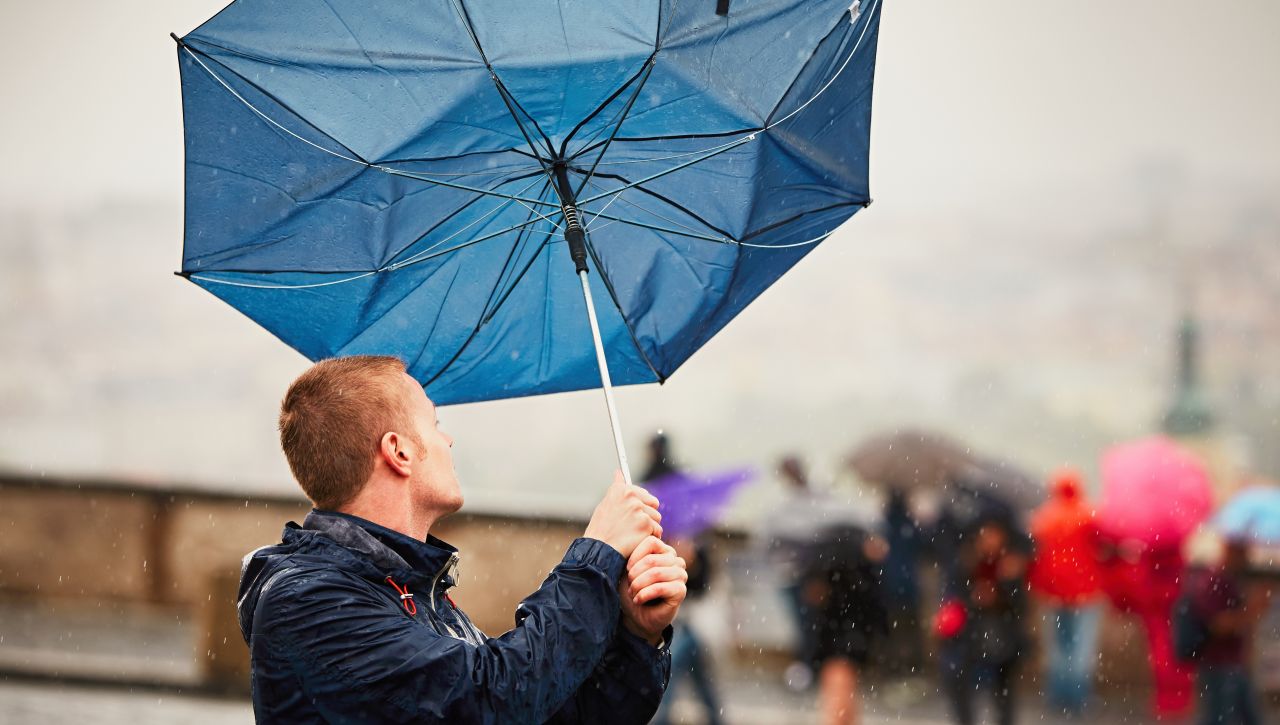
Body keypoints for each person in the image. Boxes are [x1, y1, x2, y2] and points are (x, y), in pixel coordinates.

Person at [237, 356, 687, 724]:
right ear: (399, 451)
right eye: (435, 423)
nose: (448, 440)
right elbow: (495, 698)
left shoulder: (409, 589)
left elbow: (553, 712)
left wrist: (635, 634)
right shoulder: (309, 601)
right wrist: (598, 554)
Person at [644, 433, 725, 725]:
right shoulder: (682, 498)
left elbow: (700, 578)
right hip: (683, 619)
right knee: (688, 678)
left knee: (672, 678)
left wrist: (688, 561)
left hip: (686, 618)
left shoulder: (650, 490)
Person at [936, 515, 1029, 725]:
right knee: (959, 684)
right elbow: (952, 597)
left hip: (1002, 633)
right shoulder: (965, 562)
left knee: (1004, 691)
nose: (990, 540)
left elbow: (1020, 604)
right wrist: (974, 598)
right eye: (986, 534)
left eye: (995, 535)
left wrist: (1003, 589)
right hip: (969, 634)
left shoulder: (1009, 564)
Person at [1027, 468, 1102, 716]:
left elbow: (1033, 556)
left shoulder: (1043, 519)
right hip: (1085, 593)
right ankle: (1078, 698)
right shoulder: (1089, 516)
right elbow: (1105, 548)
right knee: (1081, 648)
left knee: (1056, 648)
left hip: (1052, 593)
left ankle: (1057, 696)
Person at [802, 523, 889, 725]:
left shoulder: (838, 562)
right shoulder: (854, 564)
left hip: (840, 635)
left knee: (840, 688)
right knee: (841, 688)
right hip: (845, 635)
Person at [1187, 538, 1266, 725]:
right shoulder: (1214, 581)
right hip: (1219, 665)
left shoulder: (1231, 580)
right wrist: (1251, 610)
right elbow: (1218, 624)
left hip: (1234, 664)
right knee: (1218, 717)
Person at [879, 489, 924, 676]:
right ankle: (913, 668)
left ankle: (895, 669)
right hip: (909, 585)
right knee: (911, 630)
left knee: (893, 630)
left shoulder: (882, 526)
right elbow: (923, 547)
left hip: (889, 585)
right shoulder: (910, 525)